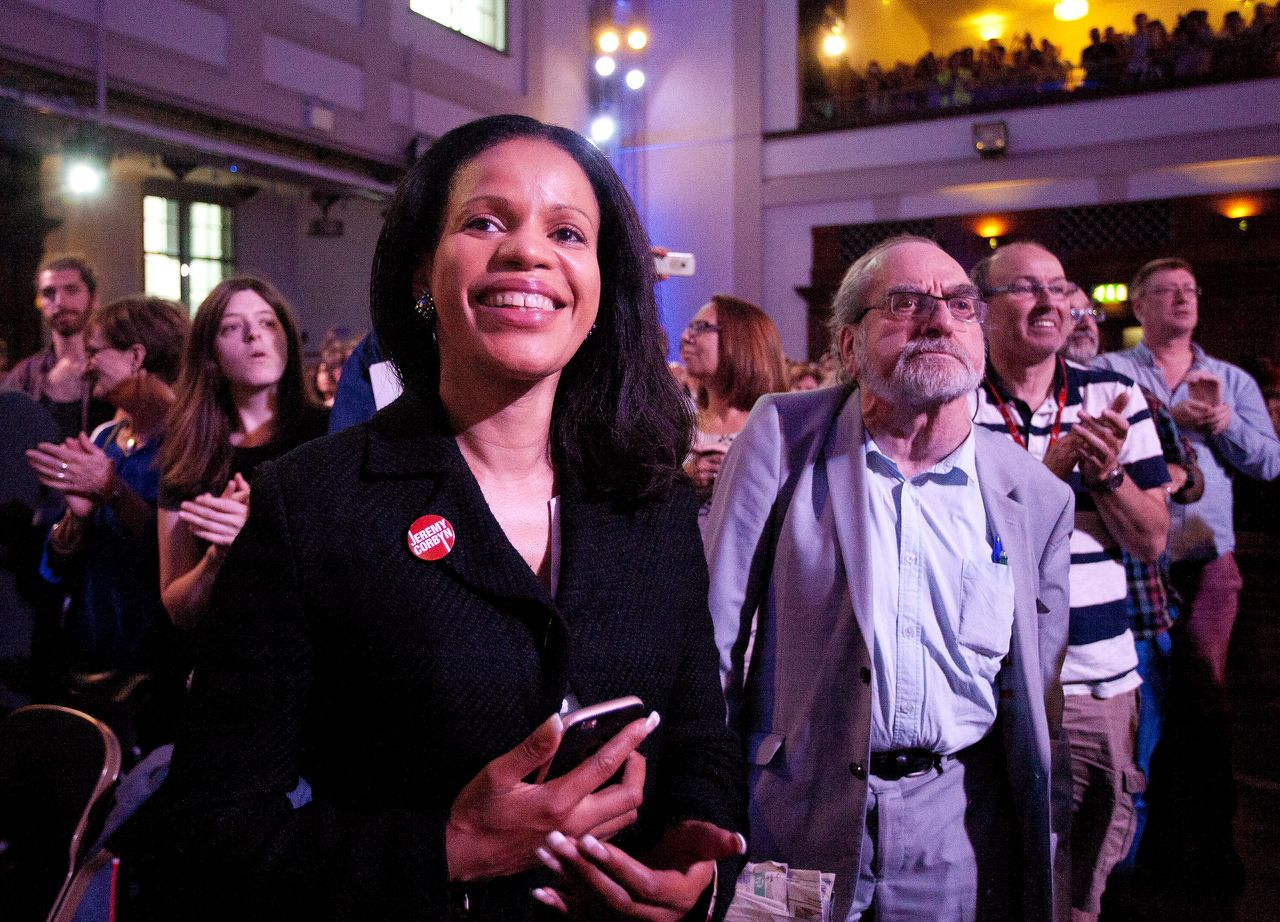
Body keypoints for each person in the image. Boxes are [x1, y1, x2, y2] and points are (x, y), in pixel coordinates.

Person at [117, 114, 745, 921]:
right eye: (485, 222)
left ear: (599, 287)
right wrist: (450, 846)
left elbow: (697, 728)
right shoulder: (312, 504)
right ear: (422, 272)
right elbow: (210, 834)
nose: (527, 251)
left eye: (567, 231)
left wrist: (697, 844)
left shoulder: (651, 501)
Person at [706, 236, 1073, 921]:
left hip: (953, 828)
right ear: (847, 347)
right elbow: (713, 636)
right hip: (792, 813)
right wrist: (699, 800)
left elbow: (1035, 703)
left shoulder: (1036, 497)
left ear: (981, 337)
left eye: (961, 305)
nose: (938, 321)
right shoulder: (784, 437)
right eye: (905, 304)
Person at [972, 242, 1170, 922]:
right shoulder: (958, 406)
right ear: (982, 309)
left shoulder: (1115, 397)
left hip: (1092, 679)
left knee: (1078, 886)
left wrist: (1109, 476)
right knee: (988, 873)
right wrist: (1050, 476)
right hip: (983, 680)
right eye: (1026, 288)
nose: (1050, 302)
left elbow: (1150, 541)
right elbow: (959, 547)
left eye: (1060, 288)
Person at [1094, 257, 1280, 889]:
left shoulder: (1228, 379)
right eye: (1167, 292)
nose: (1182, 299)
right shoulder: (1116, 371)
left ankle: (1201, 845)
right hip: (1130, 563)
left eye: (1190, 291)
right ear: (1139, 306)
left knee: (1203, 700)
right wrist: (1171, 426)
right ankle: (1131, 857)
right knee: (1136, 698)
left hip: (1205, 562)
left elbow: (1270, 465)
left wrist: (1223, 426)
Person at [1058, 288, 1203, 874]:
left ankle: (1122, 884)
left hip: (1134, 610)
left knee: (1123, 776)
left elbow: (1185, 471)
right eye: (1072, 315)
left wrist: (1152, 477)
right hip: (1052, 640)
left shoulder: (1124, 398)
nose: (1081, 324)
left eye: (1087, 313)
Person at [24, 296, 189, 751]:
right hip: (87, 656)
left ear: (136, 356)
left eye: (96, 352)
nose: (87, 364)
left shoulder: (187, 442)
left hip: (149, 669)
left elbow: (175, 557)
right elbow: (54, 569)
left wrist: (113, 491)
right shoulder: (104, 439)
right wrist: (73, 524)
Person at [156, 277, 328, 630]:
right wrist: (217, 560)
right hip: (222, 662)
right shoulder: (189, 453)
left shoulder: (329, 434)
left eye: (268, 322)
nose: (254, 335)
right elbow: (178, 610)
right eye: (232, 327)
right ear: (211, 357)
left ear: (287, 340)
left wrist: (262, 537)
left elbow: (350, 578)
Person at [679, 295, 786, 521]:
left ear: (740, 340)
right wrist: (686, 476)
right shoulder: (679, 423)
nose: (685, 336)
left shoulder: (782, 429)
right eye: (689, 327)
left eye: (701, 327)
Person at [2, 254, 113, 440]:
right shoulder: (25, 374)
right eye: (48, 293)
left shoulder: (115, 368)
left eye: (71, 290)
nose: (59, 302)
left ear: (94, 299)